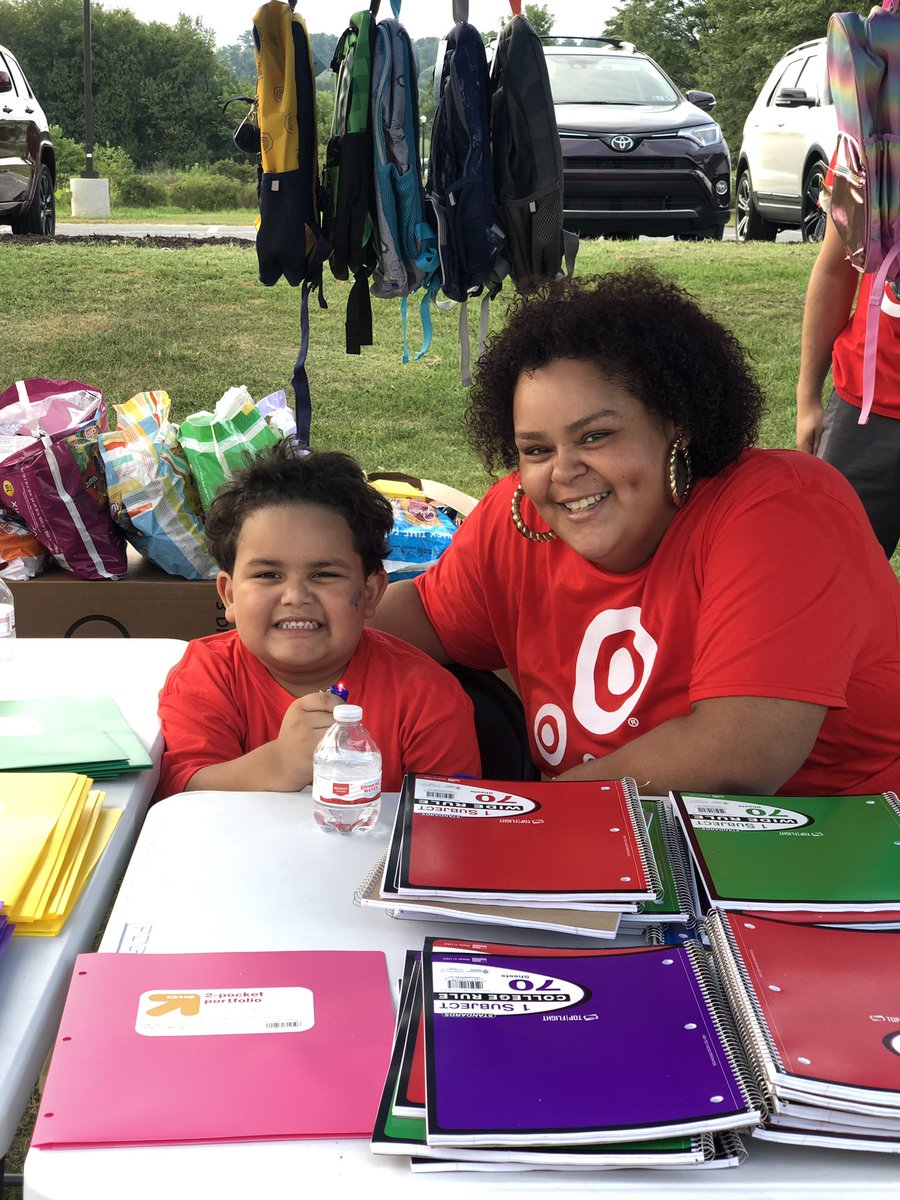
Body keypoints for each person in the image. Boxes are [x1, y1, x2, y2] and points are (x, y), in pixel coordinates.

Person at [371, 267, 900, 797]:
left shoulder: (784, 511)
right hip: (618, 849)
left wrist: (535, 820)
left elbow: (739, 755)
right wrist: (300, 623)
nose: (562, 471)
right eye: (536, 449)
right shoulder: (518, 517)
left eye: (595, 436)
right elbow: (414, 619)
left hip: (834, 850)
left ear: (677, 423)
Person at [156, 442, 481, 798]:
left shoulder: (429, 697)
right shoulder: (204, 676)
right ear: (229, 595)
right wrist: (279, 765)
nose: (295, 596)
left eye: (324, 574)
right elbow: (180, 800)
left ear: (371, 592)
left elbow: (450, 825)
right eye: (267, 574)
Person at [796, 207, 900, 559]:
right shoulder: (871, 151)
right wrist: (808, 394)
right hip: (864, 408)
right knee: (829, 568)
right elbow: (836, 270)